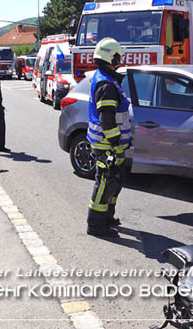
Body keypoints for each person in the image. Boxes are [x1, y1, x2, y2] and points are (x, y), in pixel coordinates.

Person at [85, 37, 131, 237]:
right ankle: (96, 226)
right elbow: (107, 121)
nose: (120, 60)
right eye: (118, 57)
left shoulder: (107, 78)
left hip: (108, 145)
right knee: (104, 183)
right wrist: (116, 146)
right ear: (111, 57)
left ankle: (107, 217)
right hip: (107, 146)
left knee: (113, 182)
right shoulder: (107, 85)